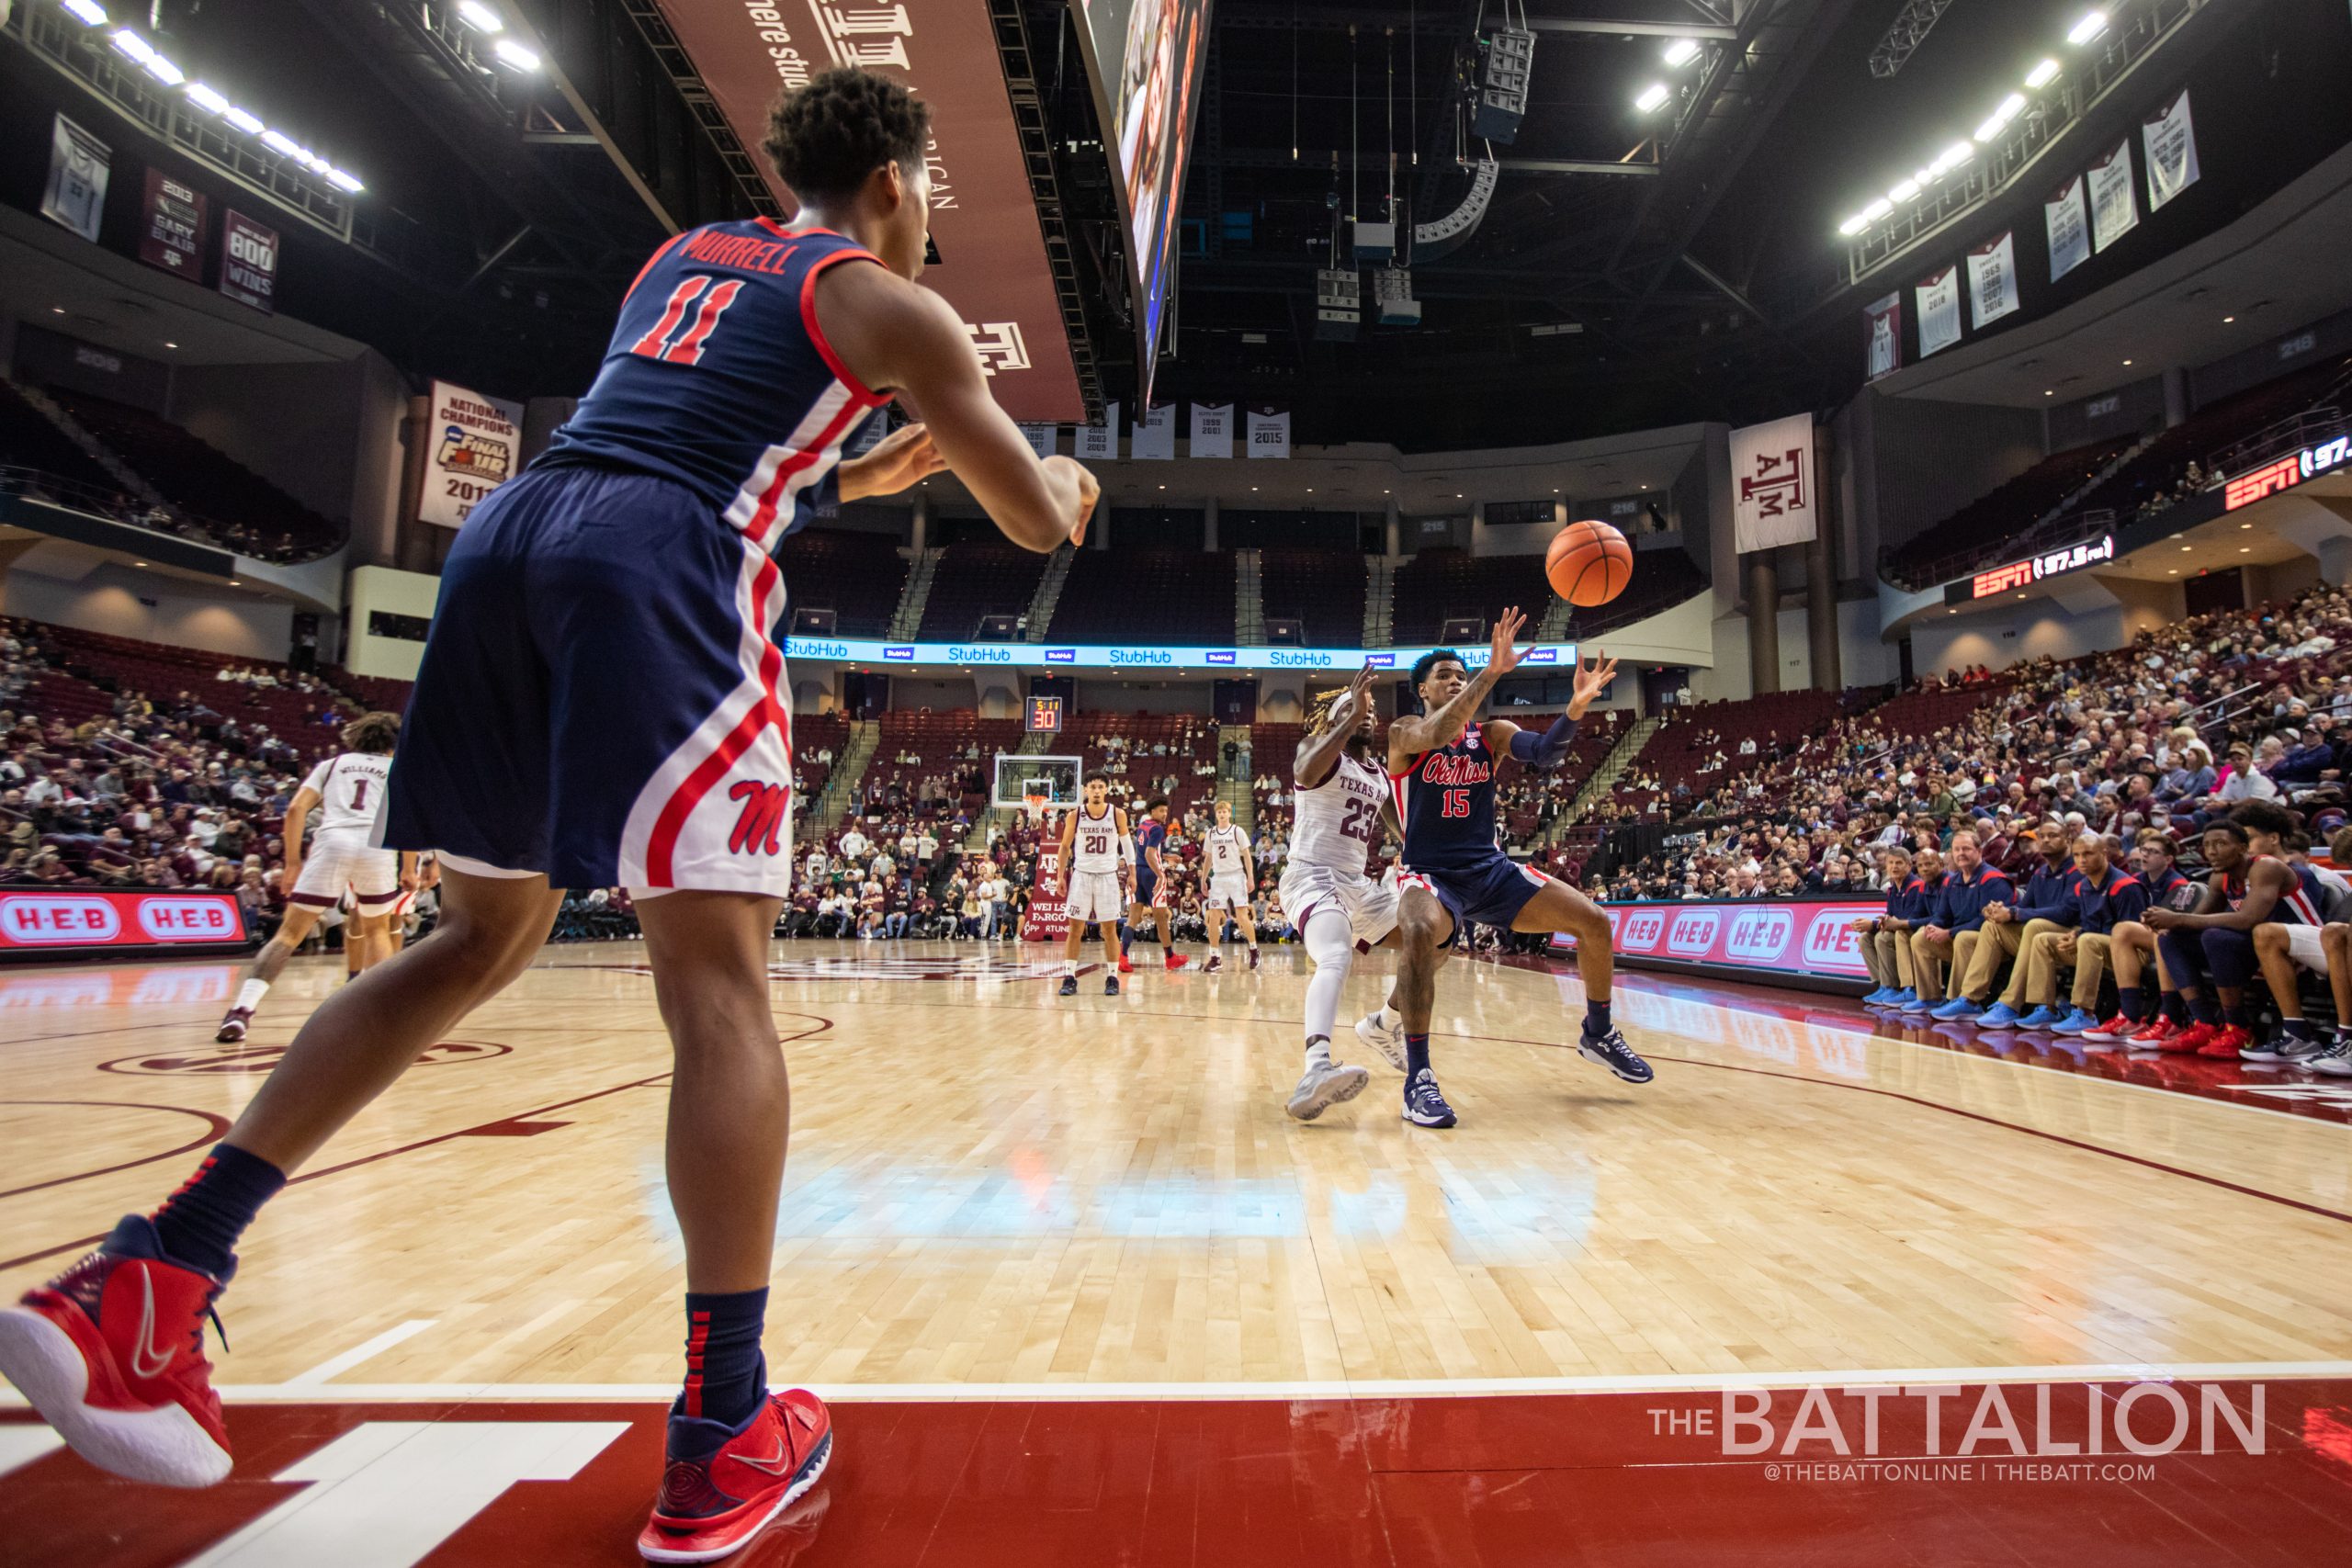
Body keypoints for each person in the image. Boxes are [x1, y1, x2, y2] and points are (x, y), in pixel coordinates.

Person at [0, 68, 1098, 1566]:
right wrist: (1069, 483)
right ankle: (723, 1428)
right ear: (901, 189)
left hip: (519, 534)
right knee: (717, 987)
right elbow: (1028, 518)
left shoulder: (685, 259)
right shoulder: (895, 308)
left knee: (472, 938)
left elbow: (696, 428)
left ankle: (151, 1273)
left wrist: (860, 459)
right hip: (661, 569)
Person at [1357, 619, 1645, 1130]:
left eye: (1461, 674)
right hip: (1431, 875)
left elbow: (1546, 754)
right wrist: (1491, 672)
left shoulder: (1491, 735)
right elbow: (1440, 729)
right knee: (1422, 932)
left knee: (1595, 922)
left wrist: (1575, 709)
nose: (1456, 680)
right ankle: (1418, 1078)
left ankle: (1597, 1031)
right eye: (1445, 674)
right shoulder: (1404, 732)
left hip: (1490, 870)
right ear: (1422, 688)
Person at [213, 713, 415, 1043]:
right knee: (377, 930)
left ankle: (241, 1011)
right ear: (393, 742)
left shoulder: (333, 765)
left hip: (332, 843)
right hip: (376, 846)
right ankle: (382, 1017)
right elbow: (407, 821)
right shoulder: (397, 770)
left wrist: (291, 863)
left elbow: (295, 810)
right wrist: (409, 867)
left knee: (288, 935)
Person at [1273, 662, 1395, 1121]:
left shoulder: (1379, 774)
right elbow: (1304, 772)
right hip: (1312, 876)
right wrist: (1348, 715)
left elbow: (1403, 832)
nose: (1365, 712)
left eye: (1369, 708)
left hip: (1357, 884)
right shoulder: (1318, 751)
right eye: (1353, 707)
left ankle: (1385, 1025)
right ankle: (1315, 1067)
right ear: (1335, 719)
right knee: (1336, 956)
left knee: (1432, 936)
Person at [2143, 804, 2326, 1059]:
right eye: (2207, 846)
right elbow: (2195, 920)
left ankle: (2238, 1028)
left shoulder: (2266, 867)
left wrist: (2177, 918)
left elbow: (2246, 919)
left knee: (2215, 936)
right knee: (2172, 938)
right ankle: (2204, 1023)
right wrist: (2165, 921)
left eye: (2220, 844)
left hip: (2304, 949)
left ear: (2242, 848)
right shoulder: (2221, 877)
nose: (2212, 852)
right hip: (2262, 947)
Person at [1057, 773, 1131, 998]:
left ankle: (1112, 977)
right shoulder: (1075, 815)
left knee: (1109, 930)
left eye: (1101, 786)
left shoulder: (1117, 814)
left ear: (1107, 789)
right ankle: (1069, 977)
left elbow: (1127, 847)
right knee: (1075, 929)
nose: (1097, 790)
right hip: (1081, 875)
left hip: (1108, 876)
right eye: (1093, 786)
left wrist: (1133, 873)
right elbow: (1064, 847)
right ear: (1085, 790)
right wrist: (1060, 875)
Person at [1119, 797, 1189, 974]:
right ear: (1153, 811)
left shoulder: (1144, 825)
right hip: (1151, 875)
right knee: (1161, 918)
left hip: (1137, 872)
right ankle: (1170, 957)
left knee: (1133, 918)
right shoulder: (1157, 829)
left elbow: (1146, 851)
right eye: (1161, 811)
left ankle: (1123, 957)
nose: (1165, 814)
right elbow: (1150, 853)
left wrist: (1166, 857)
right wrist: (1159, 874)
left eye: (1166, 811)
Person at [1198, 798, 1261, 973]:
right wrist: (1204, 878)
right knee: (1214, 916)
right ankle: (1215, 957)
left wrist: (1250, 878)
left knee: (1241, 915)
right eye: (1219, 812)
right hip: (1218, 877)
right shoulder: (1211, 833)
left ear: (1229, 813)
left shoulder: (1237, 831)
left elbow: (1247, 856)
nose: (1222, 814)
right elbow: (1208, 858)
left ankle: (1254, 950)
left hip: (1236, 876)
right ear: (1216, 814)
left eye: (1225, 811)